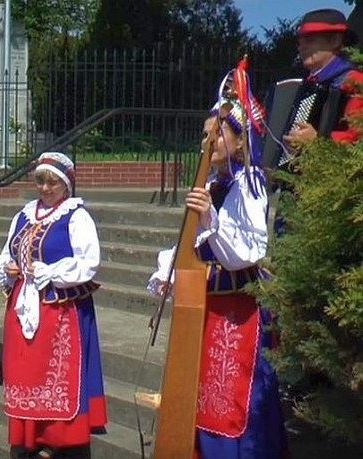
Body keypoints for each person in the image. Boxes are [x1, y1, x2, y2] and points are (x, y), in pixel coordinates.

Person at [147, 65, 288, 458]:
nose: (206, 141)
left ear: (240, 143)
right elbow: (190, 242)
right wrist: (167, 273)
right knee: (201, 391)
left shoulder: (251, 185)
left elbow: (247, 252)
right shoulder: (209, 185)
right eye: (203, 135)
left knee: (230, 398)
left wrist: (210, 217)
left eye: (216, 134)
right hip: (205, 308)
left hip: (238, 310)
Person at [0, 152, 107, 459]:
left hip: (60, 312)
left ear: (67, 184)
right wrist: (8, 267)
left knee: (56, 378)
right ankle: (30, 438)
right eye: (40, 181)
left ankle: (61, 441)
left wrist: (49, 272)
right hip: (23, 310)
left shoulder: (76, 216)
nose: (45, 188)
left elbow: (89, 263)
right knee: (25, 375)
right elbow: (7, 253)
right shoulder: (24, 215)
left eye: (52, 182)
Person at [283, 8, 363, 148]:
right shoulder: (300, 87)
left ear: (335, 41)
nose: (301, 47)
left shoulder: (354, 81)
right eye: (300, 42)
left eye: (310, 39)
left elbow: (357, 137)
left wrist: (318, 141)